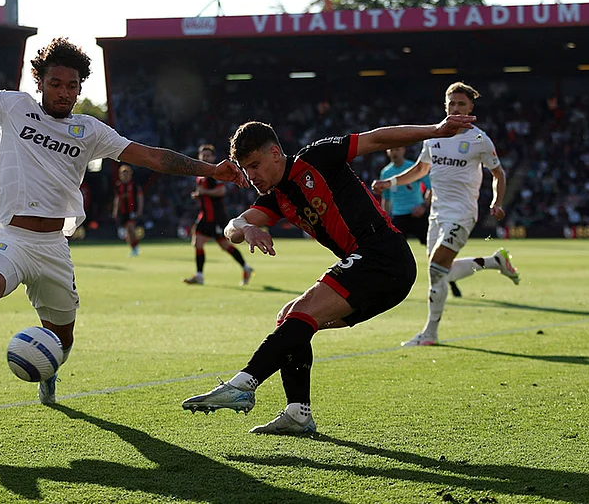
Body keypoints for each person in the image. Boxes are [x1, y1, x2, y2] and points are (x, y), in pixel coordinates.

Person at [0, 22, 247, 405]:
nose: (64, 92)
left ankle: (48, 371)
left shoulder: (90, 130)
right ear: (40, 82)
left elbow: (151, 157)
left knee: (63, 338)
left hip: (54, 247)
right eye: (56, 83)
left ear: (80, 88)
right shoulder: (14, 107)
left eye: (72, 85)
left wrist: (210, 169)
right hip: (11, 236)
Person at [182, 115, 476, 435]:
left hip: (383, 254)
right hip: (372, 270)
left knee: (300, 313)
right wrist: (246, 227)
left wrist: (434, 130)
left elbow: (377, 139)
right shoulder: (276, 198)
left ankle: (244, 383)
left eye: (254, 165)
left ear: (275, 154)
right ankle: (298, 413)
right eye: (245, 169)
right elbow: (232, 226)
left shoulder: (318, 157)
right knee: (290, 319)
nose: (251, 176)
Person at [371, 82, 520, 348]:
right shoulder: (434, 135)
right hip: (436, 214)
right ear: (445, 106)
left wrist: (497, 201)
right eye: (452, 103)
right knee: (441, 272)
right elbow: (420, 170)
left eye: (461, 104)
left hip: (462, 213)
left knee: (437, 268)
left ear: (471, 107)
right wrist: (390, 183)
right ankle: (495, 262)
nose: (456, 108)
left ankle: (430, 333)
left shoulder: (478, 139)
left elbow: (498, 173)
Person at [378, 146, 461, 298]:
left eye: (396, 150)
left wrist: (423, 206)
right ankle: (390, 286)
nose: (394, 152)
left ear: (403, 150)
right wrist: (385, 217)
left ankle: (451, 282)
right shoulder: (386, 173)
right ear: (387, 152)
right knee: (392, 253)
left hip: (417, 216)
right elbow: (386, 198)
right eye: (391, 150)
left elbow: (432, 188)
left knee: (436, 251)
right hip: (399, 217)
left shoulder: (412, 168)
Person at [183, 144, 254, 286]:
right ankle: (199, 275)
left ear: (214, 157)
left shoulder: (215, 173)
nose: (206, 157)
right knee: (198, 243)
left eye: (208, 155)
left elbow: (221, 192)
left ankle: (246, 268)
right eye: (203, 155)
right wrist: (199, 196)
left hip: (216, 217)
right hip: (205, 216)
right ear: (199, 157)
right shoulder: (201, 176)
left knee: (224, 245)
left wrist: (203, 193)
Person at [111, 164, 143, 256]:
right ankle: (134, 248)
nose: (124, 176)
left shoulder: (134, 185)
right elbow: (117, 199)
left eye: (126, 173)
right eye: (122, 173)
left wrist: (139, 210)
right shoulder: (118, 186)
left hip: (132, 210)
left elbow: (140, 197)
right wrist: (115, 211)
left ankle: (135, 247)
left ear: (130, 174)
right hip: (123, 212)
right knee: (128, 232)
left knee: (131, 228)